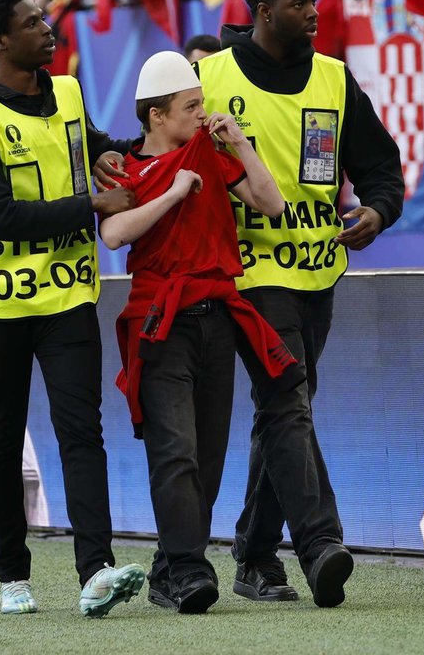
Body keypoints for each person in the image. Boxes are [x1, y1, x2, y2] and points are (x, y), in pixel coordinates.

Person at [0, 0, 144, 617]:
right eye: (33, 21)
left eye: (44, 16)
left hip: (68, 295)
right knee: (3, 436)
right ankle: (13, 578)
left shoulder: (67, 91)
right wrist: (90, 203)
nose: (48, 27)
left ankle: (95, 572)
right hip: (1, 303)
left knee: (82, 432)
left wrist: (139, 149)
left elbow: (92, 147)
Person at [194, 0, 404, 608]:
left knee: (285, 409)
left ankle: (256, 558)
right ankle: (319, 546)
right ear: (262, 10)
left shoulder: (337, 80)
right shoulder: (211, 77)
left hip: (318, 271)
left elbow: (380, 168)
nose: (313, 9)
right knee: (287, 399)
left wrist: (375, 211)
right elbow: (157, 142)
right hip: (250, 274)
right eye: (297, 0)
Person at [99, 51, 292, 614]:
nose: (203, 112)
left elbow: (272, 203)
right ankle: (188, 569)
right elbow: (113, 233)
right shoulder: (125, 169)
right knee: (175, 450)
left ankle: (168, 568)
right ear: (158, 116)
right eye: (192, 105)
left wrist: (239, 143)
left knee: (206, 456)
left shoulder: (210, 149)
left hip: (216, 317)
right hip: (159, 321)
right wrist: (174, 192)